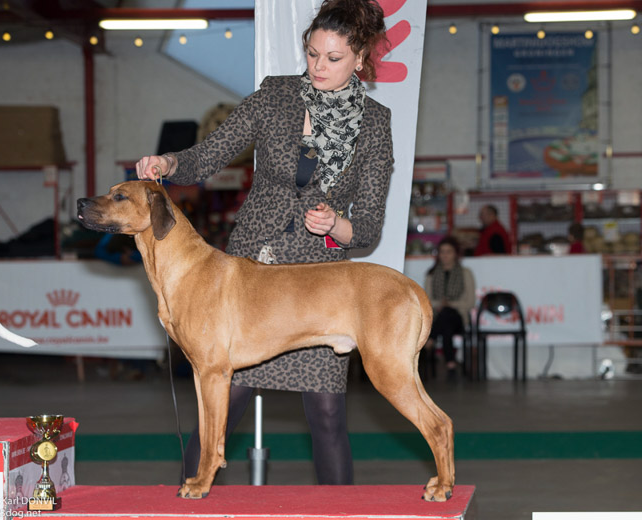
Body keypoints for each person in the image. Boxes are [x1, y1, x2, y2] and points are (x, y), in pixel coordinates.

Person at [135, 0, 392, 486]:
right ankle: (191, 502)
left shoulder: (376, 124)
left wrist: (337, 223)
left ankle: (340, 518)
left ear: (360, 58)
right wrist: (168, 164)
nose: (317, 66)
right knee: (218, 412)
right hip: (251, 270)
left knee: (328, 417)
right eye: (312, 53)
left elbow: (370, 225)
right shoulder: (274, 96)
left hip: (318, 289)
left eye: (332, 58)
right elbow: (209, 156)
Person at [423, 236, 476, 378]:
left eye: (449, 252)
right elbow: (427, 300)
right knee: (446, 321)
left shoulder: (465, 273)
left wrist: (450, 304)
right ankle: (450, 364)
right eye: (442, 252)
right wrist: (440, 305)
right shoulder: (431, 274)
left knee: (448, 313)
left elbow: (470, 302)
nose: (445, 255)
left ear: (455, 254)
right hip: (439, 317)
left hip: (459, 317)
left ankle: (431, 339)